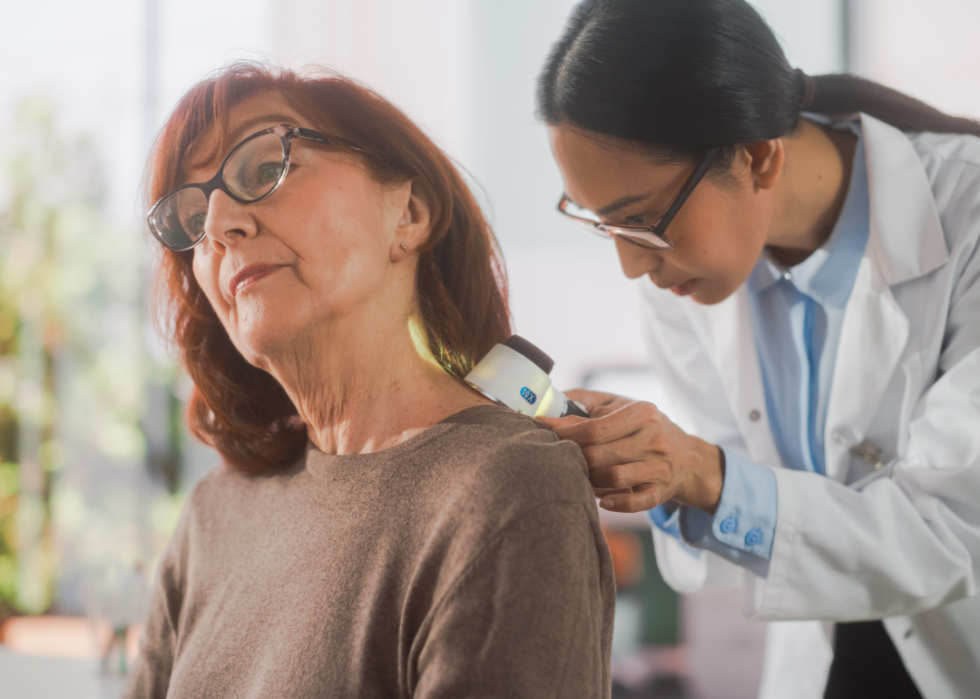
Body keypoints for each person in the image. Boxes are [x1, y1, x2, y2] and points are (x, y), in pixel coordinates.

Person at [123, 63, 614, 699]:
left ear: (407, 214)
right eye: (190, 219)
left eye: (263, 168)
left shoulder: (508, 489)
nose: (217, 226)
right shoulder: (215, 513)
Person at [535, 1, 980, 697]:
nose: (630, 265)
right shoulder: (685, 275)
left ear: (757, 155)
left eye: (640, 220)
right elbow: (730, 507)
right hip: (831, 651)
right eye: (602, 223)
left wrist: (702, 472)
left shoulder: (969, 219)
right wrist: (656, 469)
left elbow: (953, 528)